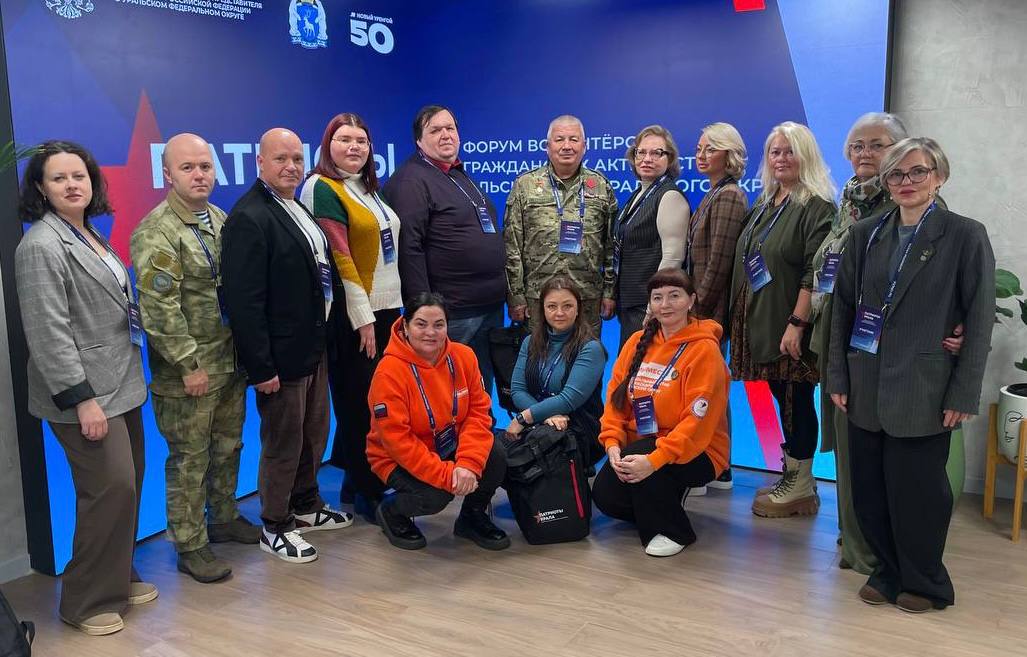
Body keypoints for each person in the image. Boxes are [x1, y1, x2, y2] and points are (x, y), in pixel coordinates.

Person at [827, 137, 994, 613]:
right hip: (865, 381)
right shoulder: (865, 234)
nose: (906, 182)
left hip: (925, 386)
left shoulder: (964, 235)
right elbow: (842, 310)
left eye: (917, 172)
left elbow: (979, 317)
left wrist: (964, 391)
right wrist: (838, 376)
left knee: (919, 493)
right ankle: (886, 571)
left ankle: (925, 581)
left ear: (938, 177)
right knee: (869, 489)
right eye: (896, 174)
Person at [15, 141, 155, 635]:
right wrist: (82, 400)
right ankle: (85, 601)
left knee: (129, 485)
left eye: (79, 176)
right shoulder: (40, 245)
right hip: (85, 395)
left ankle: (117, 578)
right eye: (59, 178)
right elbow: (48, 333)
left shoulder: (88, 232)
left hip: (122, 382)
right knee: (108, 488)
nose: (72, 185)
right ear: (40, 188)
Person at [130, 133, 259, 584]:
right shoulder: (157, 231)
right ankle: (190, 545)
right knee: (190, 459)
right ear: (168, 173)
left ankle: (222, 517)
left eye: (205, 166)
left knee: (228, 447)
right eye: (188, 167)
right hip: (190, 371)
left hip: (229, 359)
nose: (199, 174)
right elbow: (158, 309)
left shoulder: (219, 218)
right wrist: (188, 365)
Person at [221, 128, 352, 564]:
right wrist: (261, 367)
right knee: (283, 442)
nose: (291, 167)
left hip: (312, 346)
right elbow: (244, 303)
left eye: (297, 158)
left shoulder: (296, 206)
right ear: (260, 162)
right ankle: (275, 525)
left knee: (314, 434)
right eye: (281, 159)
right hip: (280, 357)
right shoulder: (249, 217)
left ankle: (306, 504)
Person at [298, 113, 402, 520]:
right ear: (328, 145)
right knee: (360, 404)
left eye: (361, 140)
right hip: (354, 314)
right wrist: (362, 317)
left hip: (385, 308)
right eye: (344, 139)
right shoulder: (322, 188)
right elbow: (339, 258)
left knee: (374, 398)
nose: (354, 146)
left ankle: (354, 480)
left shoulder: (366, 187)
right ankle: (368, 492)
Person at [728, 121, 835, 518]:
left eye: (790, 151)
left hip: (789, 325)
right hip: (761, 320)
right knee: (782, 397)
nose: (781, 158)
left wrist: (797, 323)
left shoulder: (817, 206)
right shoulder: (765, 203)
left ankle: (801, 485)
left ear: (806, 156)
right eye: (775, 151)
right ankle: (793, 476)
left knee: (795, 399)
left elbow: (814, 271)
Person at [593, 269, 729, 557]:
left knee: (645, 462)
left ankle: (675, 530)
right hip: (643, 443)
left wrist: (654, 461)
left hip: (698, 449)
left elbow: (696, 424)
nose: (665, 305)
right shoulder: (636, 342)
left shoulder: (705, 350)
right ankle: (661, 498)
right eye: (657, 298)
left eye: (674, 296)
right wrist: (613, 444)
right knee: (606, 496)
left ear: (691, 300)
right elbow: (615, 402)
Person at [366, 293, 510, 551]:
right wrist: (448, 476)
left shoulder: (464, 356)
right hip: (396, 457)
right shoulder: (388, 373)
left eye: (438, 324)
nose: (430, 333)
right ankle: (391, 511)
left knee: (496, 455)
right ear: (405, 326)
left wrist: (468, 463)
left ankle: (472, 516)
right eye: (421, 324)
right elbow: (399, 443)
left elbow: (478, 414)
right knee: (435, 495)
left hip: (449, 443)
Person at [382, 105, 506, 397]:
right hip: (451, 315)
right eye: (435, 130)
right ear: (419, 140)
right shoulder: (411, 180)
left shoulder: (457, 174)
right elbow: (409, 247)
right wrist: (423, 309)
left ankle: (478, 430)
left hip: (487, 308)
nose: (445, 135)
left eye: (450, 128)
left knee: (477, 394)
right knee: (447, 396)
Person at [504, 115, 618, 335]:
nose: (567, 146)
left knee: (586, 355)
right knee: (538, 355)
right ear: (547, 146)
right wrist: (516, 296)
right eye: (559, 140)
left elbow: (611, 246)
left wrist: (609, 292)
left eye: (574, 139)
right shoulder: (525, 185)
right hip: (537, 299)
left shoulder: (601, 186)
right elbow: (512, 246)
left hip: (587, 298)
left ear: (584, 146)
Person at [685, 122, 749, 490]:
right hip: (701, 308)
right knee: (705, 388)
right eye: (699, 148)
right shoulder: (714, 192)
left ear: (729, 154)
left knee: (709, 390)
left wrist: (696, 310)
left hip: (710, 312)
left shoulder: (729, 196)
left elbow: (719, 262)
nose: (701, 155)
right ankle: (713, 463)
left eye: (710, 148)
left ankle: (718, 465)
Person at [506, 275, 607, 467]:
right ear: (543, 310)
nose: (559, 313)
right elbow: (517, 390)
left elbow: (568, 399)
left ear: (578, 309)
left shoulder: (591, 348)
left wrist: (524, 417)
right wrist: (546, 416)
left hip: (578, 429)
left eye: (567, 306)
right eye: (552, 306)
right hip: (541, 423)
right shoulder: (530, 342)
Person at [613, 125, 690, 346]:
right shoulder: (639, 193)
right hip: (630, 304)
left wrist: (655, 305)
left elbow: (672, 258)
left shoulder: (669, 196)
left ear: (670, 159)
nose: (647, 159)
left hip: (649, 308)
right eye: (641, 152)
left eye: (657, 153)